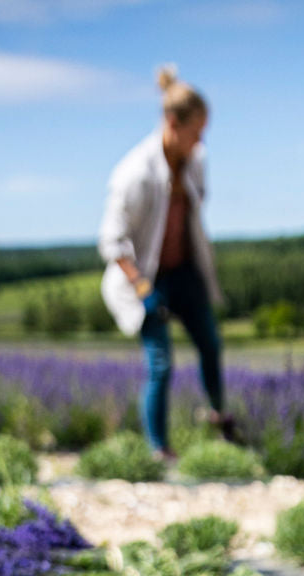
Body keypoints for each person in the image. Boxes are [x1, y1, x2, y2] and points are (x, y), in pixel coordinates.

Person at [98, 65, 233, 459]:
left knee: (210, 344)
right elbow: (111, 242)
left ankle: (219, 421)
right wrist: (143, 289)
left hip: (185, 271)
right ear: (173, 124)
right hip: (146, 279)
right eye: (195, 132)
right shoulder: (134, 173)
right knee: (161, 363)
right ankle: (159, 450)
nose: (200, 141)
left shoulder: (196, 159)